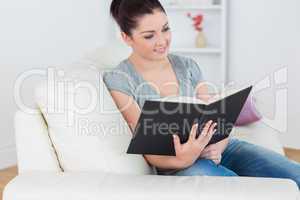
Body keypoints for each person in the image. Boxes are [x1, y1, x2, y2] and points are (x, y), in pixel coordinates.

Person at [103, 0, 300, 188]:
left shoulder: (187, 66)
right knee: (241, 189)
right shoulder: (120, 79)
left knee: (294, 175)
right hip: (177, 166)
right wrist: (184, 158)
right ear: (126, 37)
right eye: (149, 35)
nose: (162, 41)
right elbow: (148, 150)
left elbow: (216, 115)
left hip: (220, 149)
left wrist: (219, 146)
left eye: (165, 29)